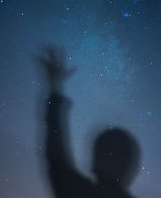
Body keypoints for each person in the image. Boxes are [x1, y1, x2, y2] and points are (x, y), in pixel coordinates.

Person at [38, 46, 141, 198]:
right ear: (131, 168)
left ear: (94, 161)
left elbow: (56, 160)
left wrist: (55, 88)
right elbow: (57, 161)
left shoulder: (79, 192)